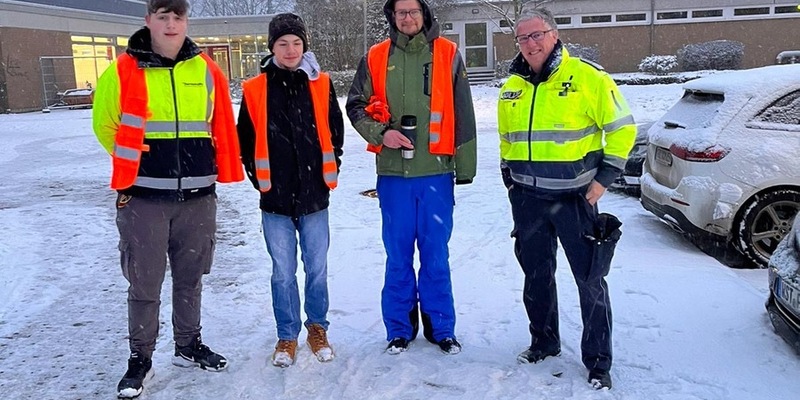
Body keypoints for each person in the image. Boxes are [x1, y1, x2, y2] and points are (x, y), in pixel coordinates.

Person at [92, 0, 243, 398]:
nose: (172, 24)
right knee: (145, 283)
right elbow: (104, 123)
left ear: (185, 21)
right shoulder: (123, 69)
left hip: (198, 196)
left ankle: (188, 346)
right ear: (149, 21)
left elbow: (220, 123)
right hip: (143, 198)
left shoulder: (206, 69)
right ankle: (140, 359)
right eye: (163, 16)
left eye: (178, 16)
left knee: (191, 278)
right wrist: (136, 163)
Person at [497, 8, 635, 390]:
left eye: (537, 34)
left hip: (576, 199)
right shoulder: (512, 86)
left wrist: (603, 180)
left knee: (590, 280)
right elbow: (506, 140)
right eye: (523, 38)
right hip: (528, 200)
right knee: (536, 276)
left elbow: (622, 130)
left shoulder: (588, 78)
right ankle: (544, 341)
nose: (531, 43)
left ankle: (598, 361)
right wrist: (510, 180)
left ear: (554, 35)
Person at [346, 0, 476, 355]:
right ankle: (399, 329)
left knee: (436, 255)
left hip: (435, 173)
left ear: (424, 15)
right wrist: (380, 132)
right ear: (392, 17)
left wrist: (464, 167)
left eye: (413, 11)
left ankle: (441, 328)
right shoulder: (374, 56)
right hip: (393, 176)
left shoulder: (448, 54)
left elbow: (463, 109)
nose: (407, 17)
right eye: (400, 12)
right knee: (398, 255)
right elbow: (355, 105)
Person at [237, 13, 344, 368]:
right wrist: (260, 179)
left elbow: (335, 132)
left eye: (296, 43)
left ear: (304, 46)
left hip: (315, 196)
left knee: (317, 269)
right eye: (283, 43)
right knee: (282, 272)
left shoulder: (322, 84)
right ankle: (287, 334)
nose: (290, 49)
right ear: (272, 48)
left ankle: (317, 327)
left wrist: (330, 169)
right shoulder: (255, 89)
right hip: (275, 199)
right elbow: (246, 140)